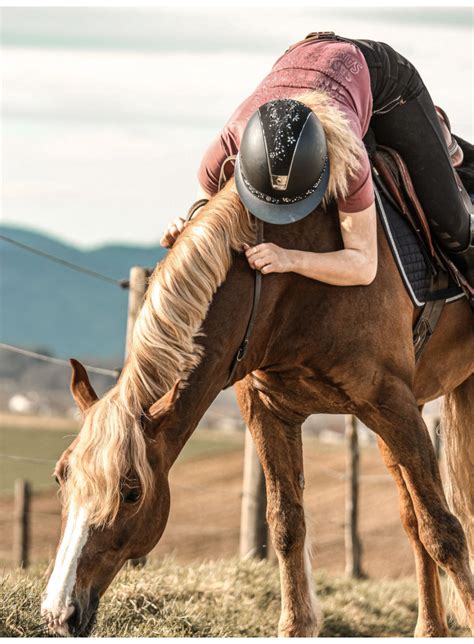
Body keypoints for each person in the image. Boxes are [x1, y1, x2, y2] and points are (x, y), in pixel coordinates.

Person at [160, 33, 473, 293]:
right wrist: (184, 228)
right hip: (303, 58)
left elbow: (364, 265)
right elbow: (205, 210)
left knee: (454, 226)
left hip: (386, 79)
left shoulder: (349, 157)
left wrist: (290, 259)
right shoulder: (226, 145)